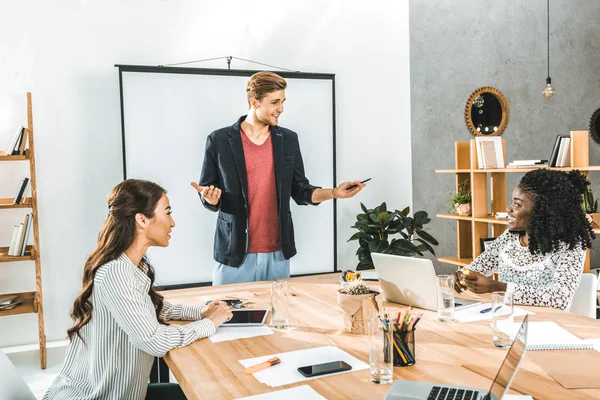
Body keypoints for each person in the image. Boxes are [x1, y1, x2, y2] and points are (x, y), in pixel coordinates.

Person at [44, 179, 232, 400]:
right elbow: (154, 341)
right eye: (167, 213)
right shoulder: (116, 272)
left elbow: (150, 307)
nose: (173, 223)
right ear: (142, 219)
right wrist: (209, 324)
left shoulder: (133, 265)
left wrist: (200, 313)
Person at [191, 71, 365, 285]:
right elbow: (208, 191)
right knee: (228, 316)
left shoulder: (288, 140)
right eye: (274, 102)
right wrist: (210, 198)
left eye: (282, 102)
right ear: (254, 102)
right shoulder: (218, 140)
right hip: (234, 253)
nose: (280, 109)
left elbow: (300, 190)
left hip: (278, 255)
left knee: (277, 317)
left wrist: (335, 193)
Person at [453, 169, 594, 310]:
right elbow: (476, 268)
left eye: (517, 204)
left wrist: (495, 287)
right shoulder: (509, 237)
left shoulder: (571, 246)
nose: (509, 209)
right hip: (507, 319)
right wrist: (463, 276)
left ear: (541, 212)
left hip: (548, 325)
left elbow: (559, 298)